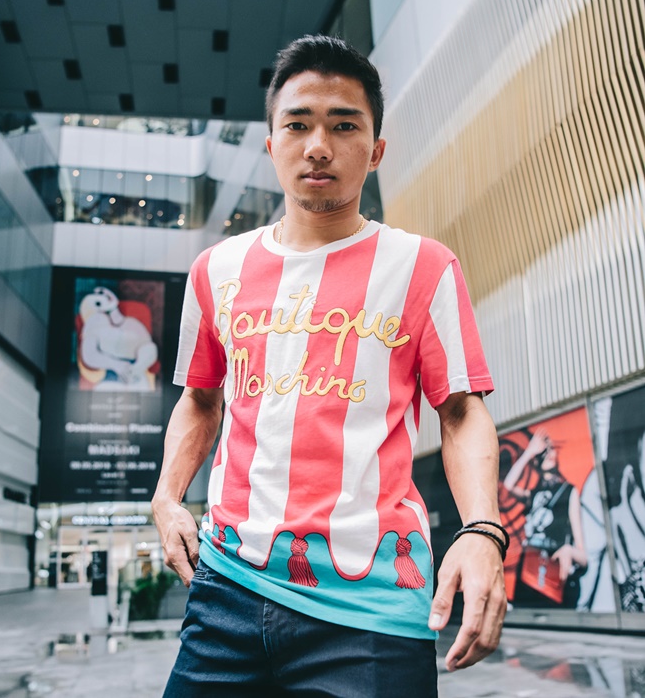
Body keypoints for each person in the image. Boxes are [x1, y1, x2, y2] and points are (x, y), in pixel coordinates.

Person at [152, 35, 507, 697]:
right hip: (227, 588)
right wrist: (168, 496)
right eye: (298, 124)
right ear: (271, 144)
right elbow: (201, 399)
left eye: (344, 125)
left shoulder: (424, 266)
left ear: (375, 150)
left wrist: (483, 528)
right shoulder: (215, 271)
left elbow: (461, 412)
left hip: (372, 605)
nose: (319, 146)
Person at [503, 428, 587, 606]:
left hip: (550, 577)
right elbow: (508, 485)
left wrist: (568, 550)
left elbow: (583, 556)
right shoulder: (533, 494)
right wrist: (529, 452)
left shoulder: (568, 492)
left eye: (551, 449)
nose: (548, 454)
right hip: (527, 574)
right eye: (543, 452)